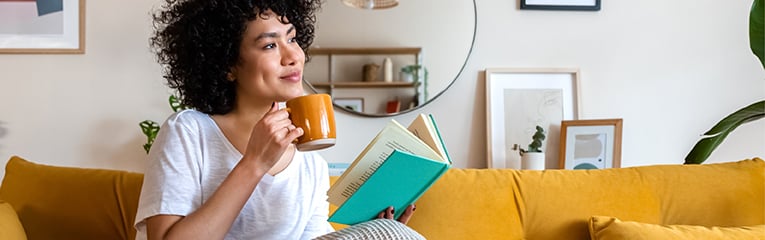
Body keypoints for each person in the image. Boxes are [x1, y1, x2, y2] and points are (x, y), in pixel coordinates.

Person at [133, 0, 414, 239]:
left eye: (291, 39)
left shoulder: (310, 161)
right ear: (227, 65)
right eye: (269, 45)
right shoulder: (188, 132)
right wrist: (254, 164)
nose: (293, 56)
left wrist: (377, 230)